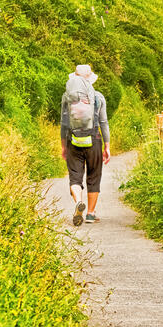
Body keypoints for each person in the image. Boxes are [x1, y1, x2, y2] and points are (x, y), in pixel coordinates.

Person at [60, 65, 111, 226]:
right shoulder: (98, 97)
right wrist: (107, 146)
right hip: (94, 139)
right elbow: (103, 122)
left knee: (75, 176)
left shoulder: (66, 97)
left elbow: (63, 124)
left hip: (73, 139)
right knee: (94, 176)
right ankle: (90, 213)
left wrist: (63, 146)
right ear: (90, 79)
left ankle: (78, 203)